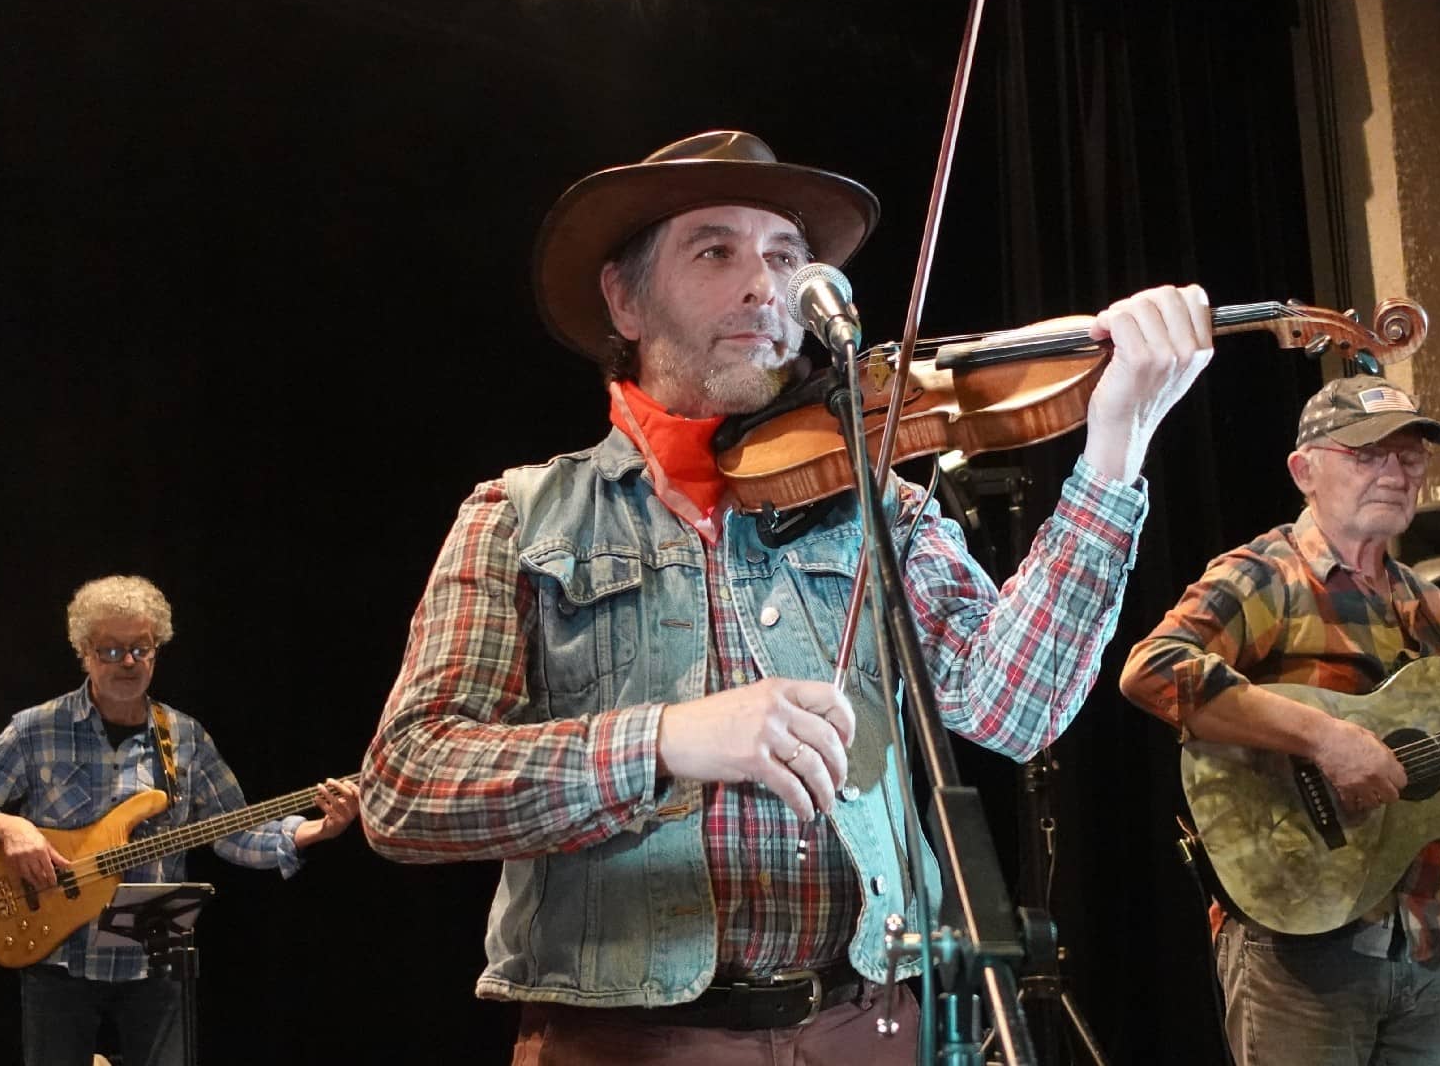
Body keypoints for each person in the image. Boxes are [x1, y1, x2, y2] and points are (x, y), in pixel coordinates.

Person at [359, 129, 1216, 1064]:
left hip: (876, 1024)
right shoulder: (519, 517)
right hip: (630, 1041)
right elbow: (408, 786)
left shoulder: (878, 502)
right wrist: (667, 740)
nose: (764, 287)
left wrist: (1114, 451)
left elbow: (1015, 709)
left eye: (784, 256)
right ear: (625, 297)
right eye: (715, 250)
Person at [1118, 375, 1440, 1066]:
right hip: (1296, 942)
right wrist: (1327, 738)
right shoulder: (1266, 575)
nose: (1394, 472)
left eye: (1410, 456)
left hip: (1419, 948)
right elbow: (1152, 668)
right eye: (1366, 454)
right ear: (1305, 470)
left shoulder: (1435, 611)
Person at [0, 574, 359, 1066]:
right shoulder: (36, 728)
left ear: (158, 651)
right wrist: (8, 828)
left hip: (156, 936)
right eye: (111, 650)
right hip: (58, 945)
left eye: (141, 648)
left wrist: (315, 830)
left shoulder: (184, 736)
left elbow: (235, 831)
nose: (128, 662)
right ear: (85, 652)